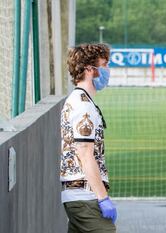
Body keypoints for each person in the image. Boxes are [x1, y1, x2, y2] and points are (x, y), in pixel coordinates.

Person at [60, 43, 116, 233]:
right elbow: (85, 154)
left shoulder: (80, 101)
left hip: (80, 197)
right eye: (105, 64)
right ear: (90, 69)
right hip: (85, 197)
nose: (108, 70)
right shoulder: (83, 106)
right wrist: (102, 198)